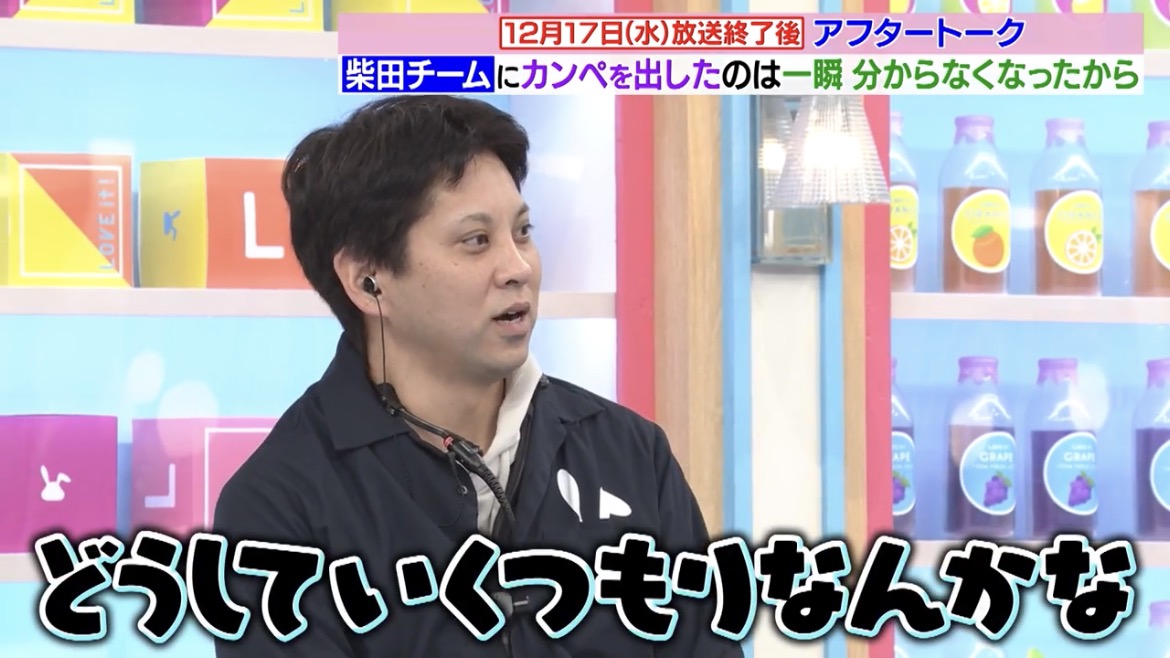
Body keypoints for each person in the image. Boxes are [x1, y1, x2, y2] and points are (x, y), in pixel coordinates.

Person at [213, 94, 744, 658]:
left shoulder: (630, 453)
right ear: (368, 280)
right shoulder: (279, 504)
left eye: (523, 231)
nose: (518, 268)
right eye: (476, 241)